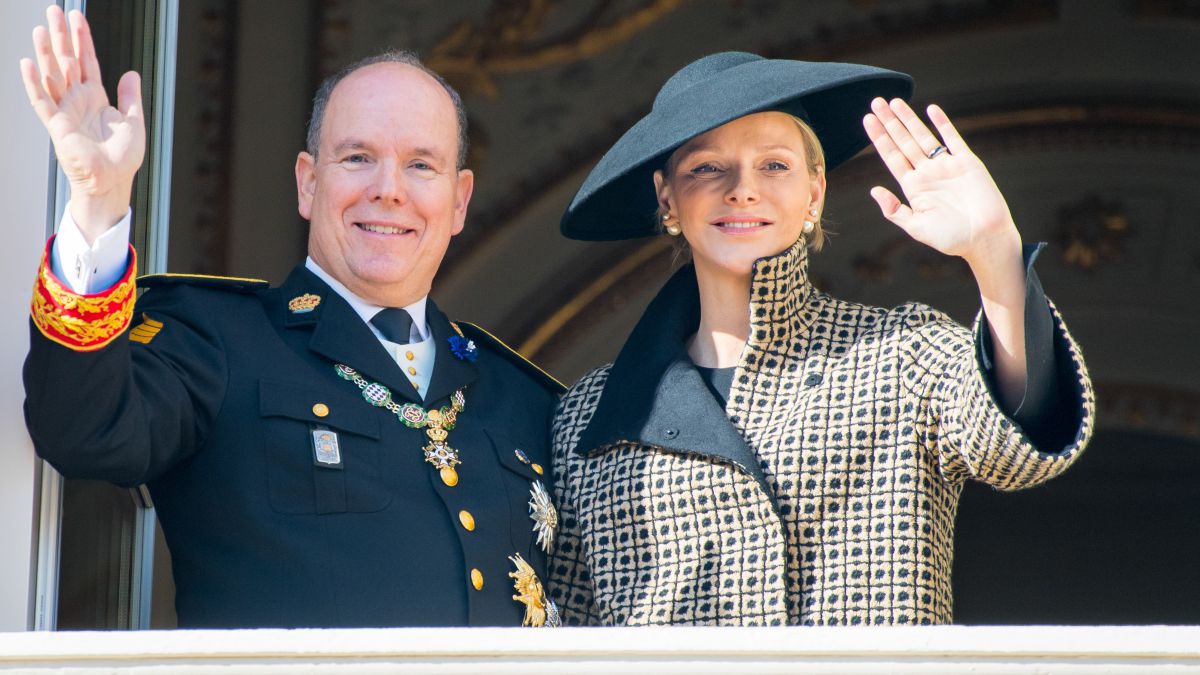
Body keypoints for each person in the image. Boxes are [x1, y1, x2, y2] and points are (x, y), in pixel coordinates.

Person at [20, 6, 561, 628]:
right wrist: (99, 200)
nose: (389, 189)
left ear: (459, 200)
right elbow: (86, 431)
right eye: (357, 157)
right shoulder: (220, 340)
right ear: (308, 184)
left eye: (421, 165)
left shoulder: (524, 398)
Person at [548, 52, 1095, 626]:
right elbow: (562, 633)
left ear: (815, 192)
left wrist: (994, 254)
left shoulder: (901, 352)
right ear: (667, 199)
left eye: (775, 166)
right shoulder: (587, 417)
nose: (742, 190)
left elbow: (1012, 454)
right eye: (708, 168)